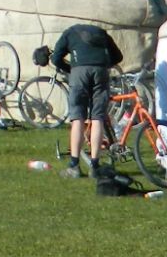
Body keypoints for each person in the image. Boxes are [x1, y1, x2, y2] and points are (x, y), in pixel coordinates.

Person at [50, 23, 124, 179]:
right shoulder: (101, 33)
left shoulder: (69, 32)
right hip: (101, 71)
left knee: (78, 118)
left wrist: (71, 68)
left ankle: (74, 166)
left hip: (79, 74)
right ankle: (95, 166)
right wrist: (103, 65)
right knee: (98, 118)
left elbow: (55, 57)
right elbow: (118, 56)